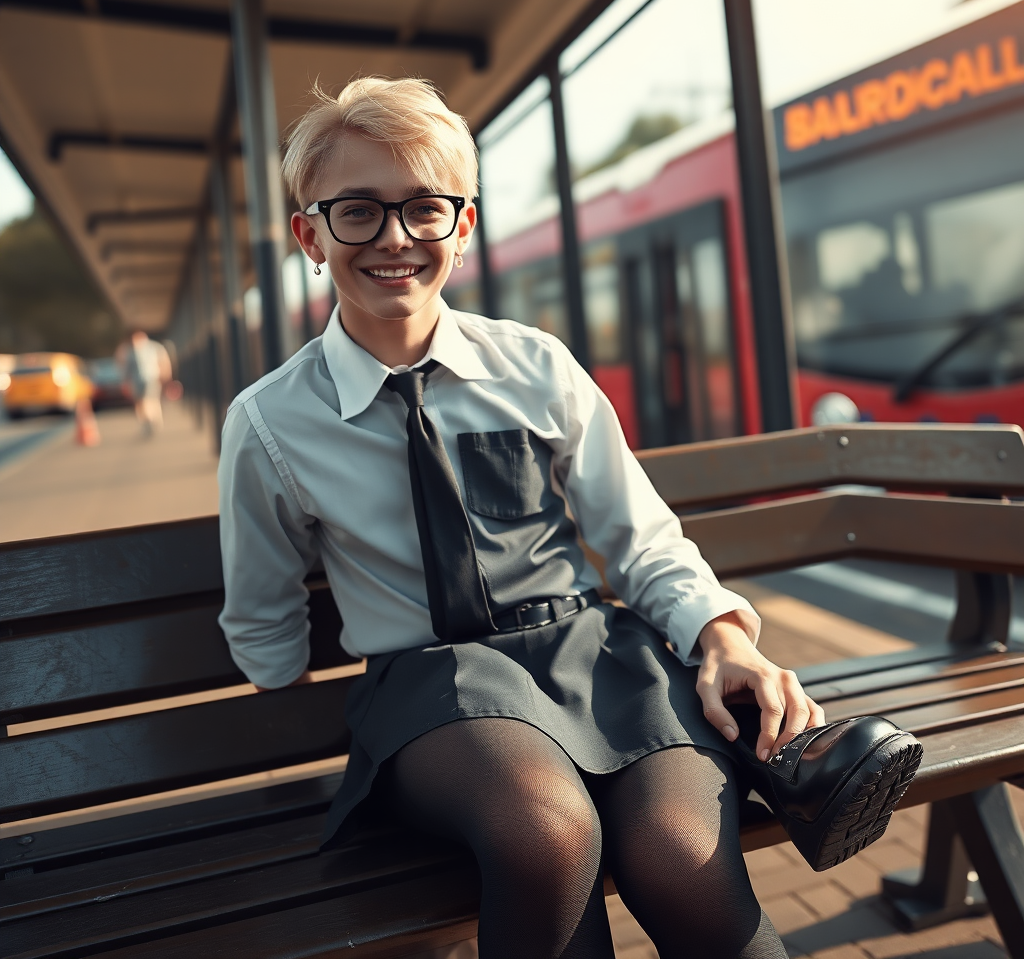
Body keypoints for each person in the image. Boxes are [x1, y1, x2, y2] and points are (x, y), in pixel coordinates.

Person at [217, 77, 918, 959]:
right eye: (357, 211)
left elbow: (640, 537)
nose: (394, 237)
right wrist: (291, 667)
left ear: (462, 228)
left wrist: (726, 639)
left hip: (598, 661)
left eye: (424, 209)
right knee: (548, 835)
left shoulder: (533, 366)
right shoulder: (271, 421)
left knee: (682, 850)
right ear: (309, 235)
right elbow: (264, 631)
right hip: (437, 686)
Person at [119, 330, 170, 435]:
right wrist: (125, 381)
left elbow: (163, 360)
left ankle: (152, 420)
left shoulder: (154, 347)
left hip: (151, 378)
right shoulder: (130, 351)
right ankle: (146, 421)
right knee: (140, 402)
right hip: (136, 381)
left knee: (149, 399)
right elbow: (127, 368)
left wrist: (165, 373)